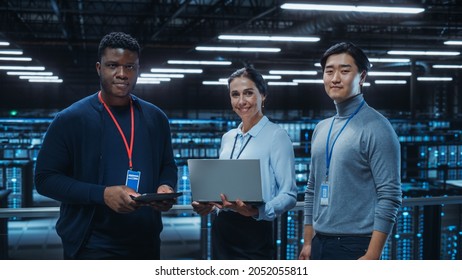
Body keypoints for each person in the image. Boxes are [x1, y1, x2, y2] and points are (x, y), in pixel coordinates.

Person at [34, 32, 178, 260]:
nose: (122, 74)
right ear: (99, 68)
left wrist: (165, 187)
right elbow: (45, 179)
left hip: (145, 242)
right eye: (113, 65)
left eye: (130, 66)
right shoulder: (70, 119)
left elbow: (167, 165)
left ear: (138, 69)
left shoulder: (155, 118)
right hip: (91, 245)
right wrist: (102, 195)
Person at [298, 42, 402, 260]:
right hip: (319, 242)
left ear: (361, 77)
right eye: (329, 71)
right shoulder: (321, 128)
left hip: (355, 246)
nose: (335, 78)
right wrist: (308, 242)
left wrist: (372, 255)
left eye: (344, 71)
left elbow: (389, 195)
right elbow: (312, 189)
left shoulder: (377, 128)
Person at [192, 67, 298, 259]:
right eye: (235, 95)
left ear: (263, 95)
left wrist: (257, 211)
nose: (241, 101)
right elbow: (223, 187)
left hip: (254, 230)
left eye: (248, 93)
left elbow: (289, 194)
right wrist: (209, 203)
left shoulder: (277, 136)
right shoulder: (228, 138)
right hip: (222, 228)